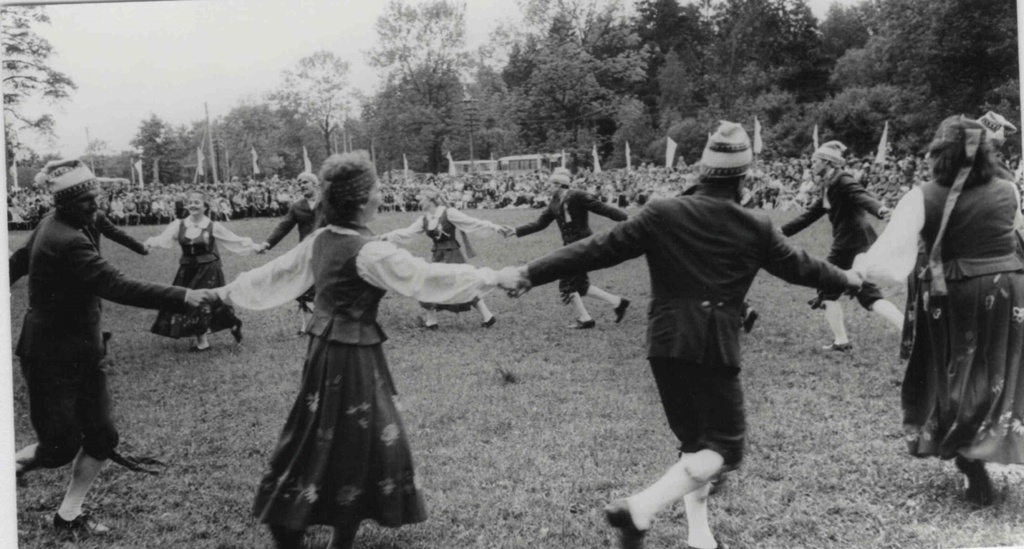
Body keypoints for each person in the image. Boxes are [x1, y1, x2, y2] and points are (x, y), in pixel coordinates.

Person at [504, 123, 861, 549]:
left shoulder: (662, 212)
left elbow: (593, 249)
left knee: (695, 447)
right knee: (725, 450)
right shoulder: (757, 225)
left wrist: (529, 272)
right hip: (713, 346)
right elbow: (805, 267)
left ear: (703, 169)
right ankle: (640, 508)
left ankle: (700, 536)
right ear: (744, 176)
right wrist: (851, 278)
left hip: (665, 342)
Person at [215, 151, 519, 549]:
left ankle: (334, 532)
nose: (381, 195)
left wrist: (222, 293)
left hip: (325, 351)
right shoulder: (367, 250)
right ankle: (292, 521)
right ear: (360, 200)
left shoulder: (323, 239)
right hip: (350, 356)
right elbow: (425, 278)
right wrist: (494, 275)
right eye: (376, 189)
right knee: (357, 439)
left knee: (337, 436)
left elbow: (275, 274)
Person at [9, 159, 217, 536]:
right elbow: (115, 285)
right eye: (87, 200)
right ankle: (13, 466)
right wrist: (183, 295)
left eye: (97, 196)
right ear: (64, 203)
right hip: (49, 358)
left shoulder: (72, 223)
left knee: (103, 437)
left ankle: (68, 516)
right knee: (59, 448)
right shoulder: (62, 237)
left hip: (86, 352)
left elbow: (16, 263)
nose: (95, 205)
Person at [853, 115, 1024, 507]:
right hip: (1006, 293)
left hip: (954, 296)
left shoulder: (921, 196)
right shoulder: (1008, 189)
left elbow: (890, 260)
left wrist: (860, 265)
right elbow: (1015, 231)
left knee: (953, 374)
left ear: (937, 153)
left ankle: (968, 456)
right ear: (985, 152)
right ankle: (984, 446)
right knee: (995, 371)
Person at [780, 140, 904, 351]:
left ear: (828, 162)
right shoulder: (829, 182)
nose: (811, 164)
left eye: (815, 161)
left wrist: (882, 211)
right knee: (863, 293)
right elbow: (811, 215)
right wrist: (781, 232)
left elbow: (862, 196)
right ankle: (904, 332)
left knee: (831, 287)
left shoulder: (842, 178)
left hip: (850, 243)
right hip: (853, 242)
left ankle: (843, 341)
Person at [511, 167, 631, 329]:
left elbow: (601, 208)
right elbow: (540, 223)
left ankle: (585, 319)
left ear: (559, 185)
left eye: (550, 184)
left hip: (583, 245)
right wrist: (515, 231)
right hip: (570, 247)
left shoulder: (577, 195)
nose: (547, 187)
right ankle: (617, 302)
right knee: (580, 285)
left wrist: (627, 219)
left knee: (567, 284)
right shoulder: (554, 202)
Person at [377, 185, 507, 329]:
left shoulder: (449, 213)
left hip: (452, 253)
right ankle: (432, 322)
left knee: (461, 284)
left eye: (421, 198)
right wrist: (385, 236)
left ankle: (487, 317)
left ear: (430, 200)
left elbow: (472, 222)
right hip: (438, 255)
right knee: (428, 284)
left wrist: (495, 227)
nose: (418, 201)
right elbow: (407, 232)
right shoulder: (424, 219)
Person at [144, 190, 259, 351]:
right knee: (185, 300)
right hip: (187, 268)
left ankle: (202, 343)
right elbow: (164, 238)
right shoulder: (179, 224)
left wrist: (255, 247)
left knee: (202, 302)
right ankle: (232, 322)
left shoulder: (213, 226)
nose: (193, 205)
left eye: (197, 203)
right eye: (190, 202)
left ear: (205, 206)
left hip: (208, 268)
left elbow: (234, 240)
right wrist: (150, 244)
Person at [256, 172, 322, 334]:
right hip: (306, 253)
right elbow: (284, 226)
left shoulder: (330, 202)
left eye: (305, 182)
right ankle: (307, 326)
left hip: (329, 251)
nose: (301, 185)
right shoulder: (297, 207)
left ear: (315, 184)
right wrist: (267, 243)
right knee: (305, 288)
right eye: (299, 183)